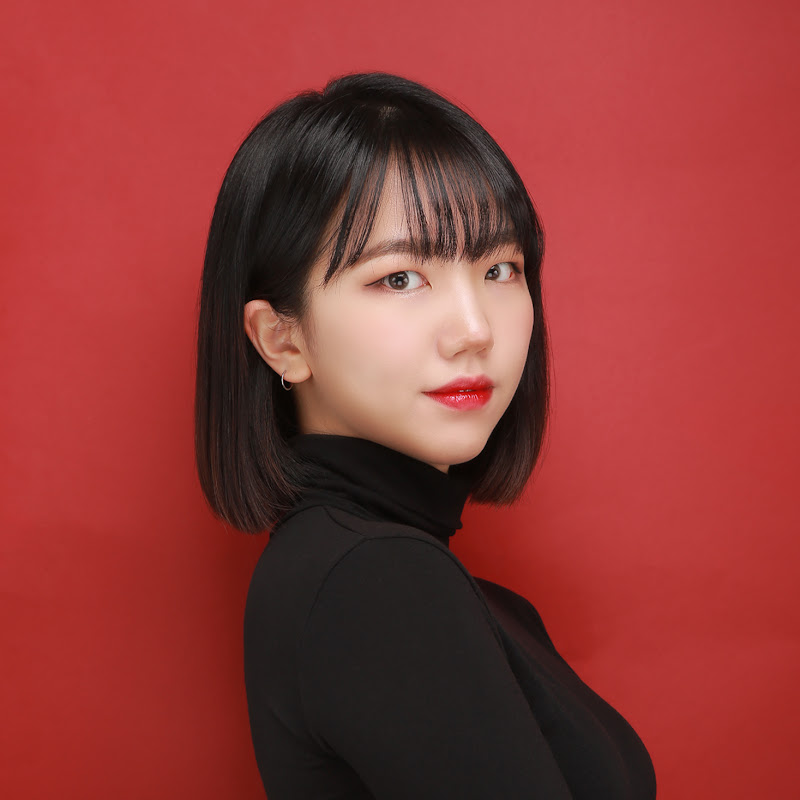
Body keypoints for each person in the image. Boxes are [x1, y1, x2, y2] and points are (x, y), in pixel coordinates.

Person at [194, 72, 657, 799]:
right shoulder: (374, 579)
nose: (475, 330)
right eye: (401, 279)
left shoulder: (364, 567)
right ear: (282, 339)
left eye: (500, 268)